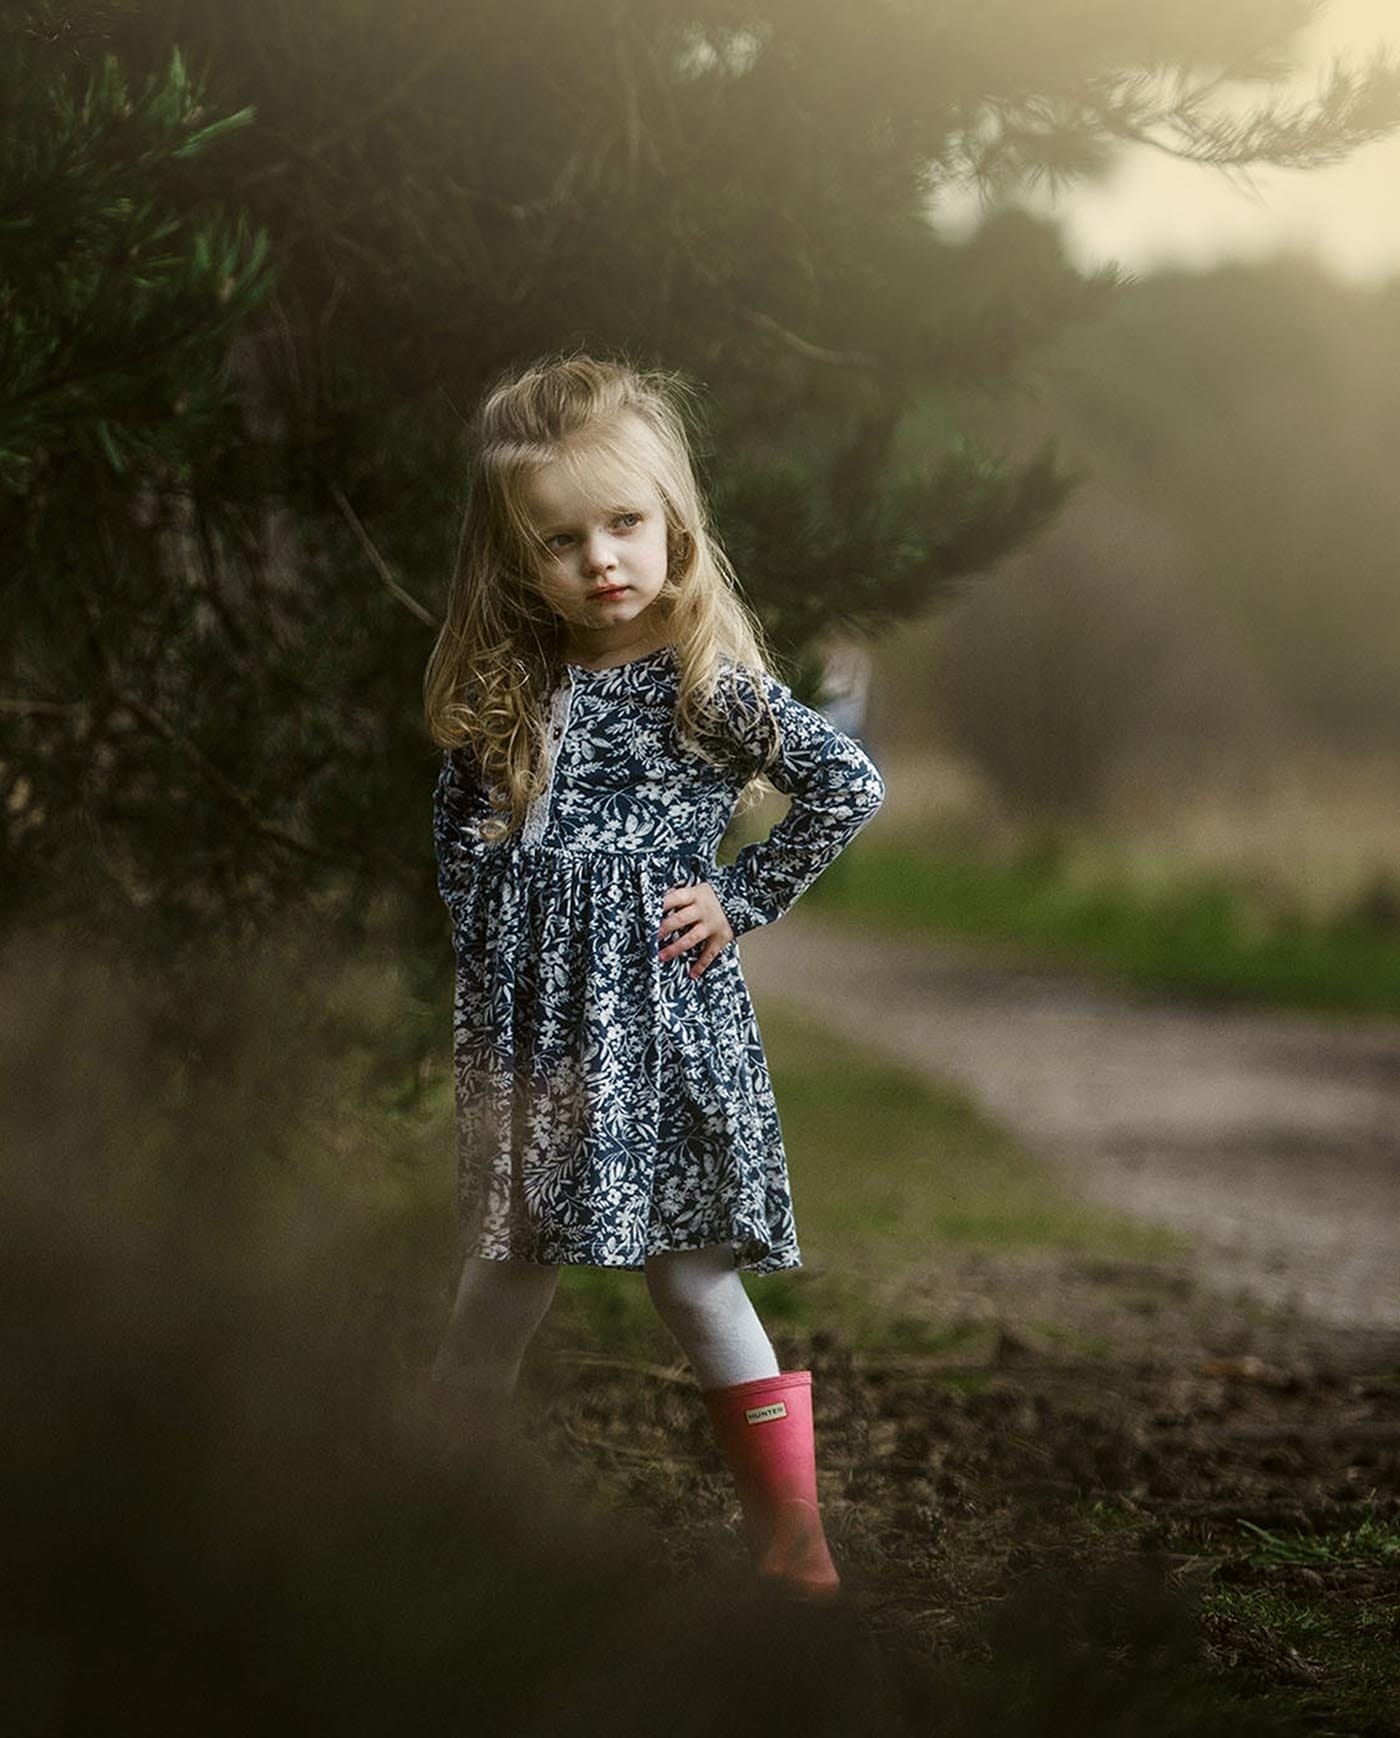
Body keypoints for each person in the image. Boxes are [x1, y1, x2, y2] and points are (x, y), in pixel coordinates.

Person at [421, 352, 885, 1601]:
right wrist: (493, 938)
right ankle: (426, 1520)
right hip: (543, 1042)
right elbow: (457, 826)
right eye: (559, 538)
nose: (598, 560)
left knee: (692, 1275)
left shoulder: (703, 684)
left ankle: (792, 1545)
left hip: (665, 1030)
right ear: (513, 555)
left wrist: (736, 897)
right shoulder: (508, 688)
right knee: (499, 1273)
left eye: (622, 524)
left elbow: (845, 783)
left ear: (670, 522)